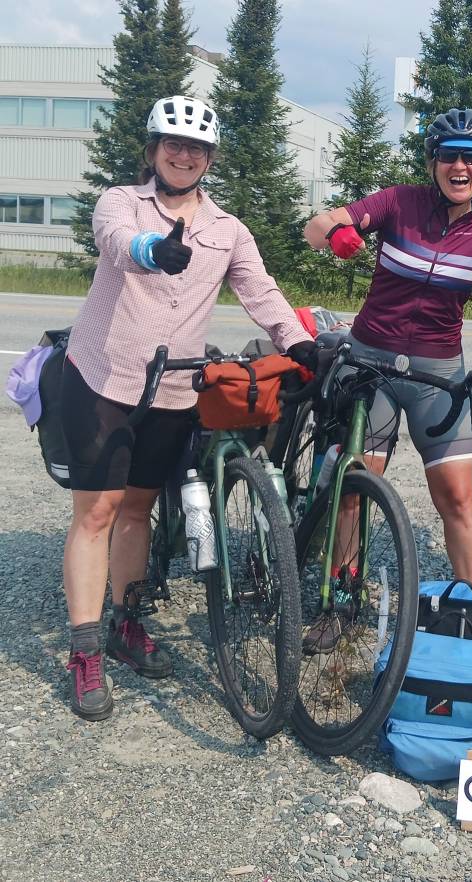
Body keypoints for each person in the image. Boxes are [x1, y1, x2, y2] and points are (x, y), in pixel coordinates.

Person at [61, 95, 317, 721]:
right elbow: (116, 241)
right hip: (103, 379)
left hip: (174, 389)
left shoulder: (227, 229)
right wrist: (152, 250)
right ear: (154, 150)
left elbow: (260, 290)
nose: (184, 154)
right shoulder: (122, 202)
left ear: (209, 159)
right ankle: (84, 653)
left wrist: (297, 341)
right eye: (173, 144)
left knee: (137, 510)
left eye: (196, 147)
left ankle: (125, 623)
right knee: (98, 512)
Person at [303, 109, 472, 601]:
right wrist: (336, 234)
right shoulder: (399, 202)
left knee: (458, 497)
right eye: (450, 155)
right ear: (433, 161)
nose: (461, 167)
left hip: (437, 373)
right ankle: (339, 602)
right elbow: (316, 225)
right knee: (355, 489)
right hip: (371, 363)